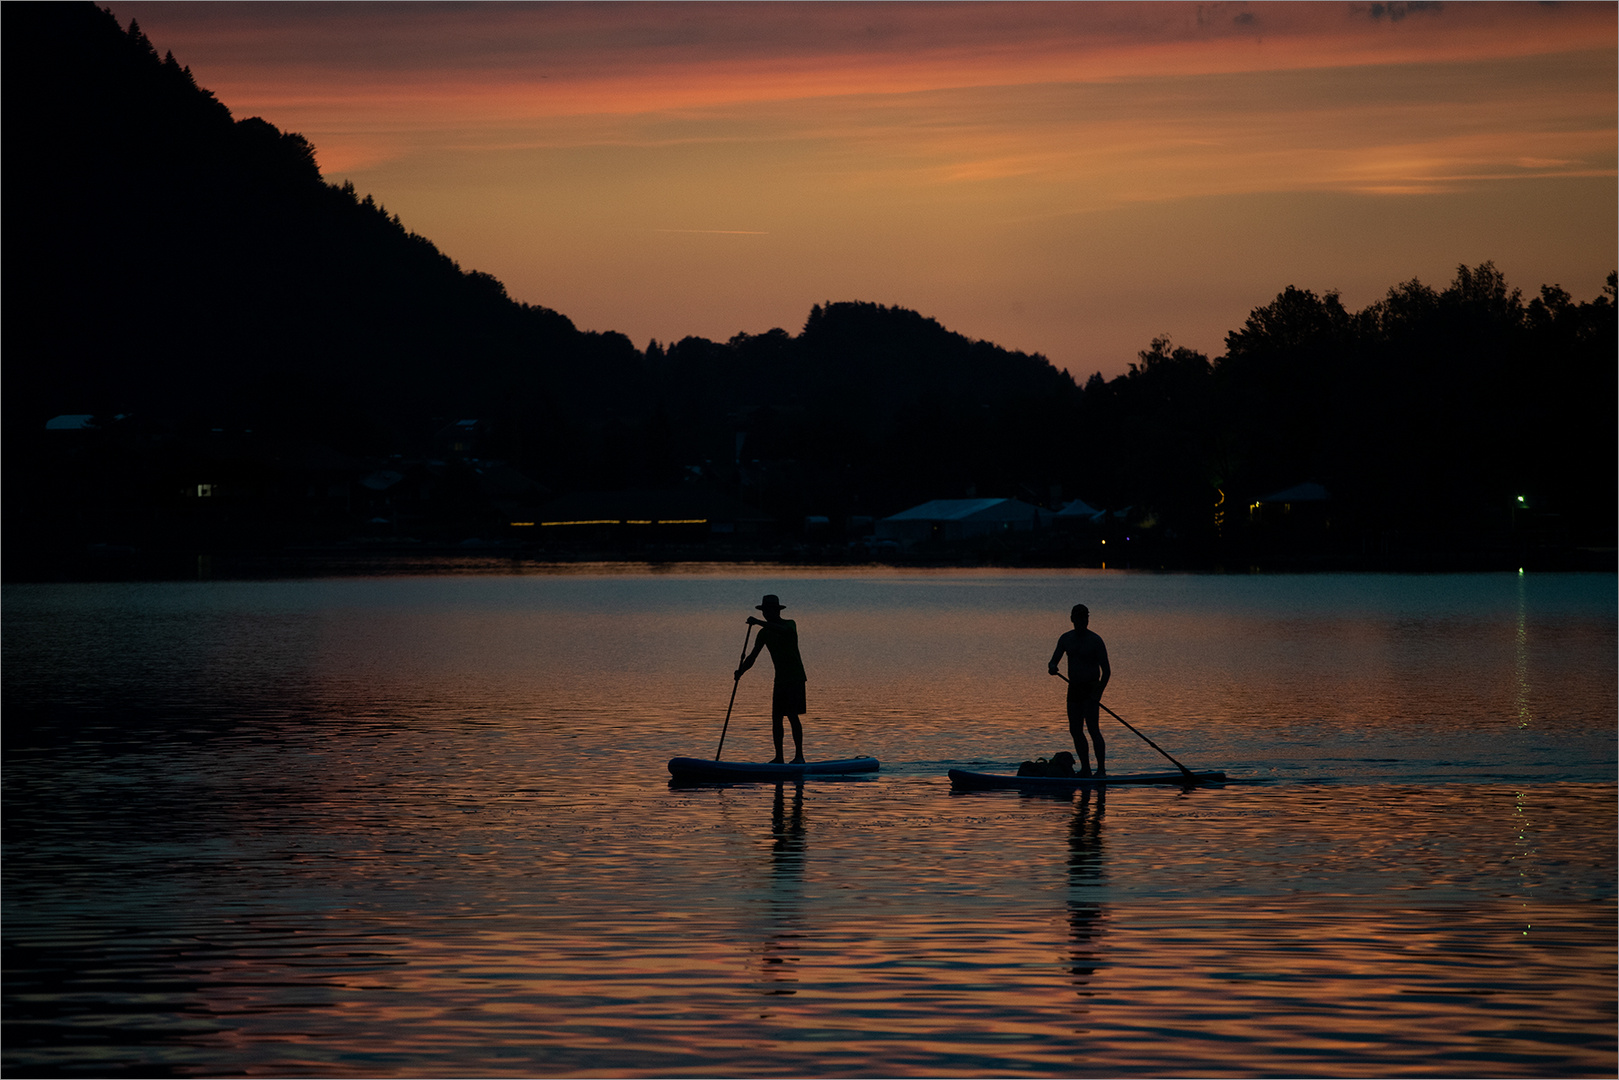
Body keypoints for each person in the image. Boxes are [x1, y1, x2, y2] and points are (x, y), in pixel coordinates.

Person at [736, 594, 808, 763]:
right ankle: (779, 758)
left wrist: (758, 622)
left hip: (795, 677)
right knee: (776, 718)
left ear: (776, 611)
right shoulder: (764, 633)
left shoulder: (790, 624)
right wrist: (741, 671)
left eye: (768, 611)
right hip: (780, 680)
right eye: (764, 612)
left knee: (792, 715)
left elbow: (783, 631)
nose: (766, 614)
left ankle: (799, 756)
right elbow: (752, 657)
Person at [1049, 603, 1111, 777]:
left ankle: (1101, 770)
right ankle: (1085, 769)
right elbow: (1053, 661)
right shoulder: (1066, 639)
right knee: (1075, 730)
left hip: (1091, 689)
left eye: (1085, 617)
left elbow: (1106, 672)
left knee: (1093, 730)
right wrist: (1052, 667)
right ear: (1072, 619)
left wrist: (1098, 693)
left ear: (1088, 619)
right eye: (1078, 617)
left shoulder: (1095, 640)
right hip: (1074, 689)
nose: (1082, 621)